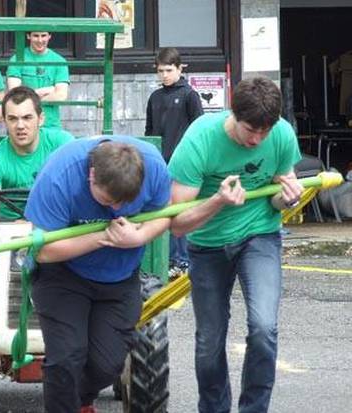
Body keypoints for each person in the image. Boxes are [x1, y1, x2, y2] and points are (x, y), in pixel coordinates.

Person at [168, 76, 303, 413]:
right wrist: (217, 201)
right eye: (249, 130)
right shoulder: (200, 138)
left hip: (259, 235)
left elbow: (276, 201)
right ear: (233, 114)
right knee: (209, 341)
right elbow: (176, 224)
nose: (256, 139)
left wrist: (288, 201)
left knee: (263, 328)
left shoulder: (282, 135)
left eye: (264, 132)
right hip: (207, 243)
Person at [24, 135, 171, 413]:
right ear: (92, 176)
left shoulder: (153, 165)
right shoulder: (60, 175)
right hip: (64, 274)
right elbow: (44, 251)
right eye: (108, 200)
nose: (116, 209)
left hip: (120, 276)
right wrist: (103, 237)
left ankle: (77, 399)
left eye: (124, 202)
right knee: (67, 357)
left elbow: (164, 213)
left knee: (108, 365)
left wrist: (138, 238)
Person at [0, 86, 73, 335]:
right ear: (3, 121)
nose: (20, 126)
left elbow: (76, 188)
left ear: (41, 118)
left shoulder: (62, 144)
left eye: (27, 117)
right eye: (13, 119)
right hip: (9, 232)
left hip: (53, 228)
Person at [145, 47, 203, 275]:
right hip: (160, 162)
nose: (164, 75)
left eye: (169, 70)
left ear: (180, 68)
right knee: (163, 209)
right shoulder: (155, 97)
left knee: (182, 211)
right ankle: (169, 260)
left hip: (184, 163)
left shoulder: (190, 95)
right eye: (160, 71)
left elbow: (199, 129)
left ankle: (183, 259)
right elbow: (149, 131)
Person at [6, 31, 69, 130]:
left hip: (51, 125)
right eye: (36, 36)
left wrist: (27, 96)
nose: (40, 40)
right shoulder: (17, 59)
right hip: (24, 125)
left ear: (49, 36)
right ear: (28, 36)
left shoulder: (59, 61)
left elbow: (61, 96)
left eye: (43, 36)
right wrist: (47, 90)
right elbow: (15, 94)